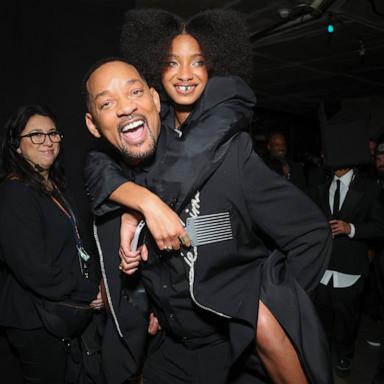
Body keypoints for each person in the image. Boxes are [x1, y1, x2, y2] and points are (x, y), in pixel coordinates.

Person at [83, 46, 333, 384]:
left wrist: (271, 306)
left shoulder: (225, 160)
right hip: (164, 353)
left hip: (233, 355)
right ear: (94, 125)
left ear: (156, 100)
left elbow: (312, 235)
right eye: (107, 103)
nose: (126, 106)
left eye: (135, 91)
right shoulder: (111, 191)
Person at [0, 104, 102, 384]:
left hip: (59, 314)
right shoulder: (15, 192)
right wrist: (90, 290)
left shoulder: (52, 187)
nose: (47, 141)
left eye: (52, 133)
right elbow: (34, 270)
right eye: (35, 135)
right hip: (34, 322)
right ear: (16, 146)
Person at [311, 165, 384, 374]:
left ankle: (344, 356)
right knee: (320, 319)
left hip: (350, 269)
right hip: (323, 267)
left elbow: (380, 226)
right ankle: (320, 356)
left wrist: (350, 228)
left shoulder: (369, 187)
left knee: (347, 320)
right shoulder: (321, 185)